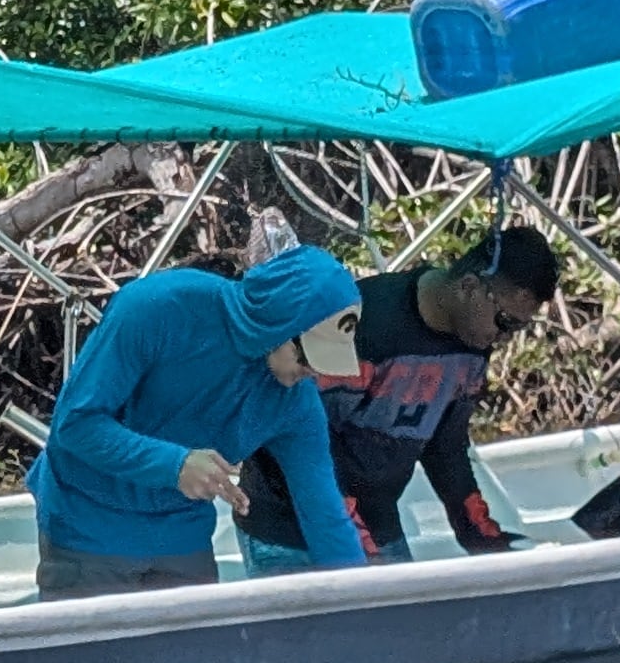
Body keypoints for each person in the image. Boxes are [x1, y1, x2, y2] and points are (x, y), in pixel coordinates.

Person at [26, 244, 372, 596]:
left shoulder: (296, 401)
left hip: (183, 534)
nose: (314, 373)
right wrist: (175, 465)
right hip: (87, 524)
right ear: (280, 326)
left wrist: (360, 598)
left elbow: (324, 512)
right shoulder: (157, 307)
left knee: (199, 651)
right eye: (309, 359)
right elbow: (74, 425)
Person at [236, 225, 561, 573]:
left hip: (377, 525)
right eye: (505, 322)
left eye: (517, 328)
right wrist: (357, 543)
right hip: (285, 528)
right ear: (469, 287)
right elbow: (302, 441)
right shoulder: (365, 323)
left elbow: (446, 447)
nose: (504, 337)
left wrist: (480, 535)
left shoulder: (475, 345)